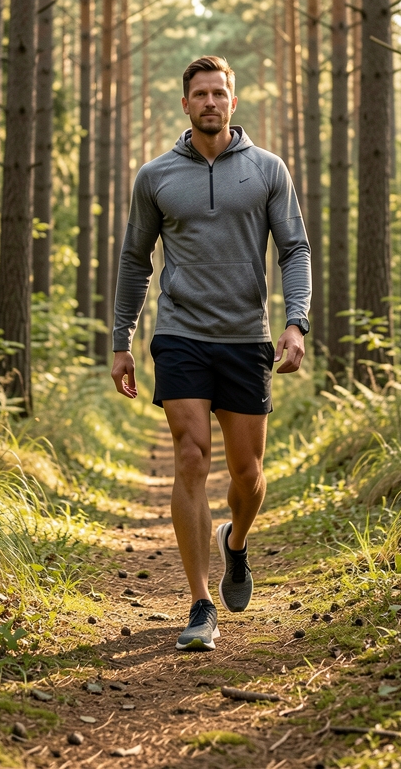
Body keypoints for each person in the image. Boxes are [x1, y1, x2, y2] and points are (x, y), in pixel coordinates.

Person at [110, 55, 311, 651]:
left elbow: (294, 250)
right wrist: (122, 341)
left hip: (248, 337)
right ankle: (200, 605)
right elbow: (133, 260)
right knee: (191, 455)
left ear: (233, 100)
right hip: (180, 335)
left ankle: (236, 543)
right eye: (199, 94)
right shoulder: (156, 177)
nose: (210, 102)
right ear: (185, 104)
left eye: (219, 93)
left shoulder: (268, 170)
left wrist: (295, 324)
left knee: (248, 476)